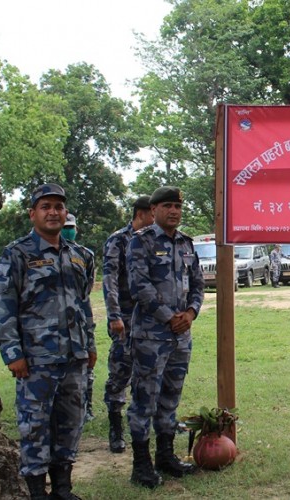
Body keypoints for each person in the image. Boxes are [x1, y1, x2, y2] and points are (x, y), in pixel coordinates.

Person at [0, 183, 96, 500]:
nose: (53, 212)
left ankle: (62, 489)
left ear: (66, 214)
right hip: (36, 361)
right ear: (32, 213)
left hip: (74, 358)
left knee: (70, 425)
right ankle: (37, 492)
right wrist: (12, 353)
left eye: (58, 207)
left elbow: (84, 304)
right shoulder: (17, 254)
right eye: (46, 206)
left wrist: (89, 345)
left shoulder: (81, 256)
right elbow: (1, 307)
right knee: (34, 428)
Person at [126, 186, 204, 488]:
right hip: (151, 337)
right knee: (144, 400)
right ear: (154, 210)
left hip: (180, 338)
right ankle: (141, 465)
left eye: (178, 207)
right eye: (168, 206)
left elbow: (198, 284)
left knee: (170, 398)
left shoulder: (186, 243)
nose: (174, 211)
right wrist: (168, 317)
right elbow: (139, 287)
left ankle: (166, 456)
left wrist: (191, 313)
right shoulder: (140, 242)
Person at [102, 195, 154, 454]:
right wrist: (114, 315)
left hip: (150, 319)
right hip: (125, 317)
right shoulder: (118, 240)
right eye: (152, 214)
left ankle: (146, 424)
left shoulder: (155, 240)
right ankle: (115, 427)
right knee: (120, 371)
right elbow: (110, 279)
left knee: (149, 373)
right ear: (141, 214)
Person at [63, 213, 97, 424]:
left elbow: (87, 289)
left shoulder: (85, 254)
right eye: (65, 227)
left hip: (80, 323)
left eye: (71, 227)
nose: (68, 230)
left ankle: (87, 407)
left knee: (86, 367)